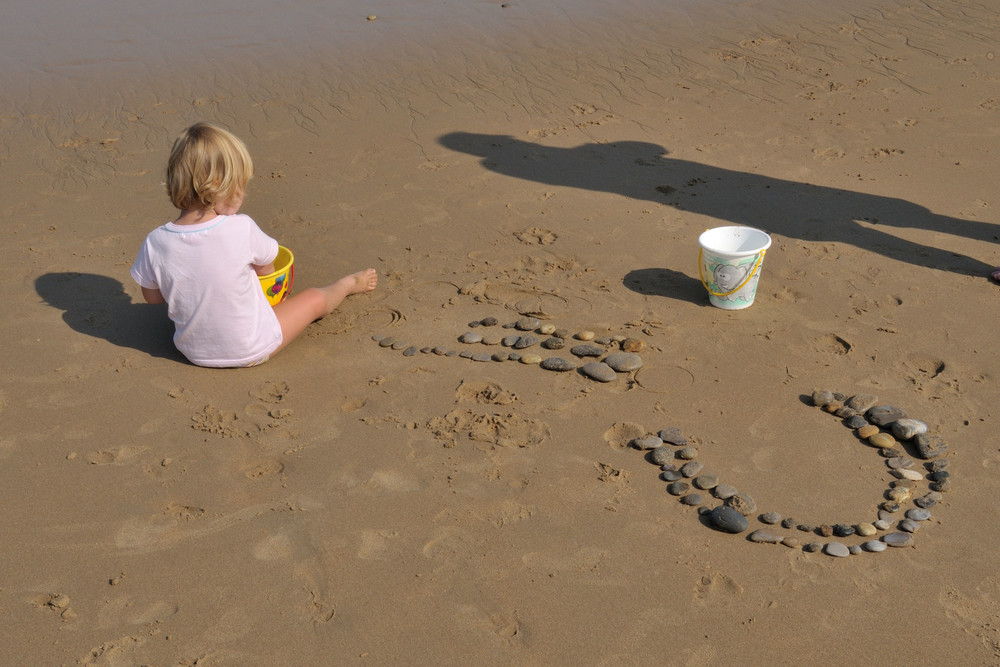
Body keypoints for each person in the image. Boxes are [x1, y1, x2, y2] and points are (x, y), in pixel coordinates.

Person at [131, 122, 377, 367]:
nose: (243, 194)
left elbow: (153, 298)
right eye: (240, 186)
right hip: (252, 347)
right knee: (314, 298)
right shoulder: (241, 227)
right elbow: (267, 270)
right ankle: (347, 285)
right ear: (218, 187)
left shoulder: (155, 241)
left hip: (193, 352)